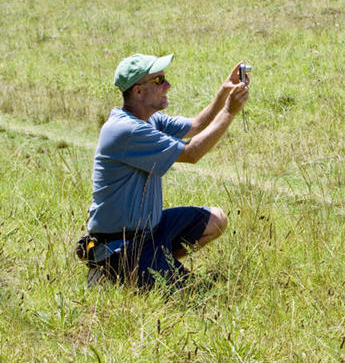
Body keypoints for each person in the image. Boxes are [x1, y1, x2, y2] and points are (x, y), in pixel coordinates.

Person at [82, 53, 250, 288]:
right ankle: (112, 272)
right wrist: (230, 111)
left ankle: (157, 263)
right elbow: (192, 154)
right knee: (193, 295)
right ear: (138, 91)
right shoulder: (126, 130)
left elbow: (196, 125)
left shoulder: (148, 120)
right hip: (123, 244)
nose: (168, 85)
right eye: (159, 80)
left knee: (216, 219)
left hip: (150, 231)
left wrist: (224, 91)